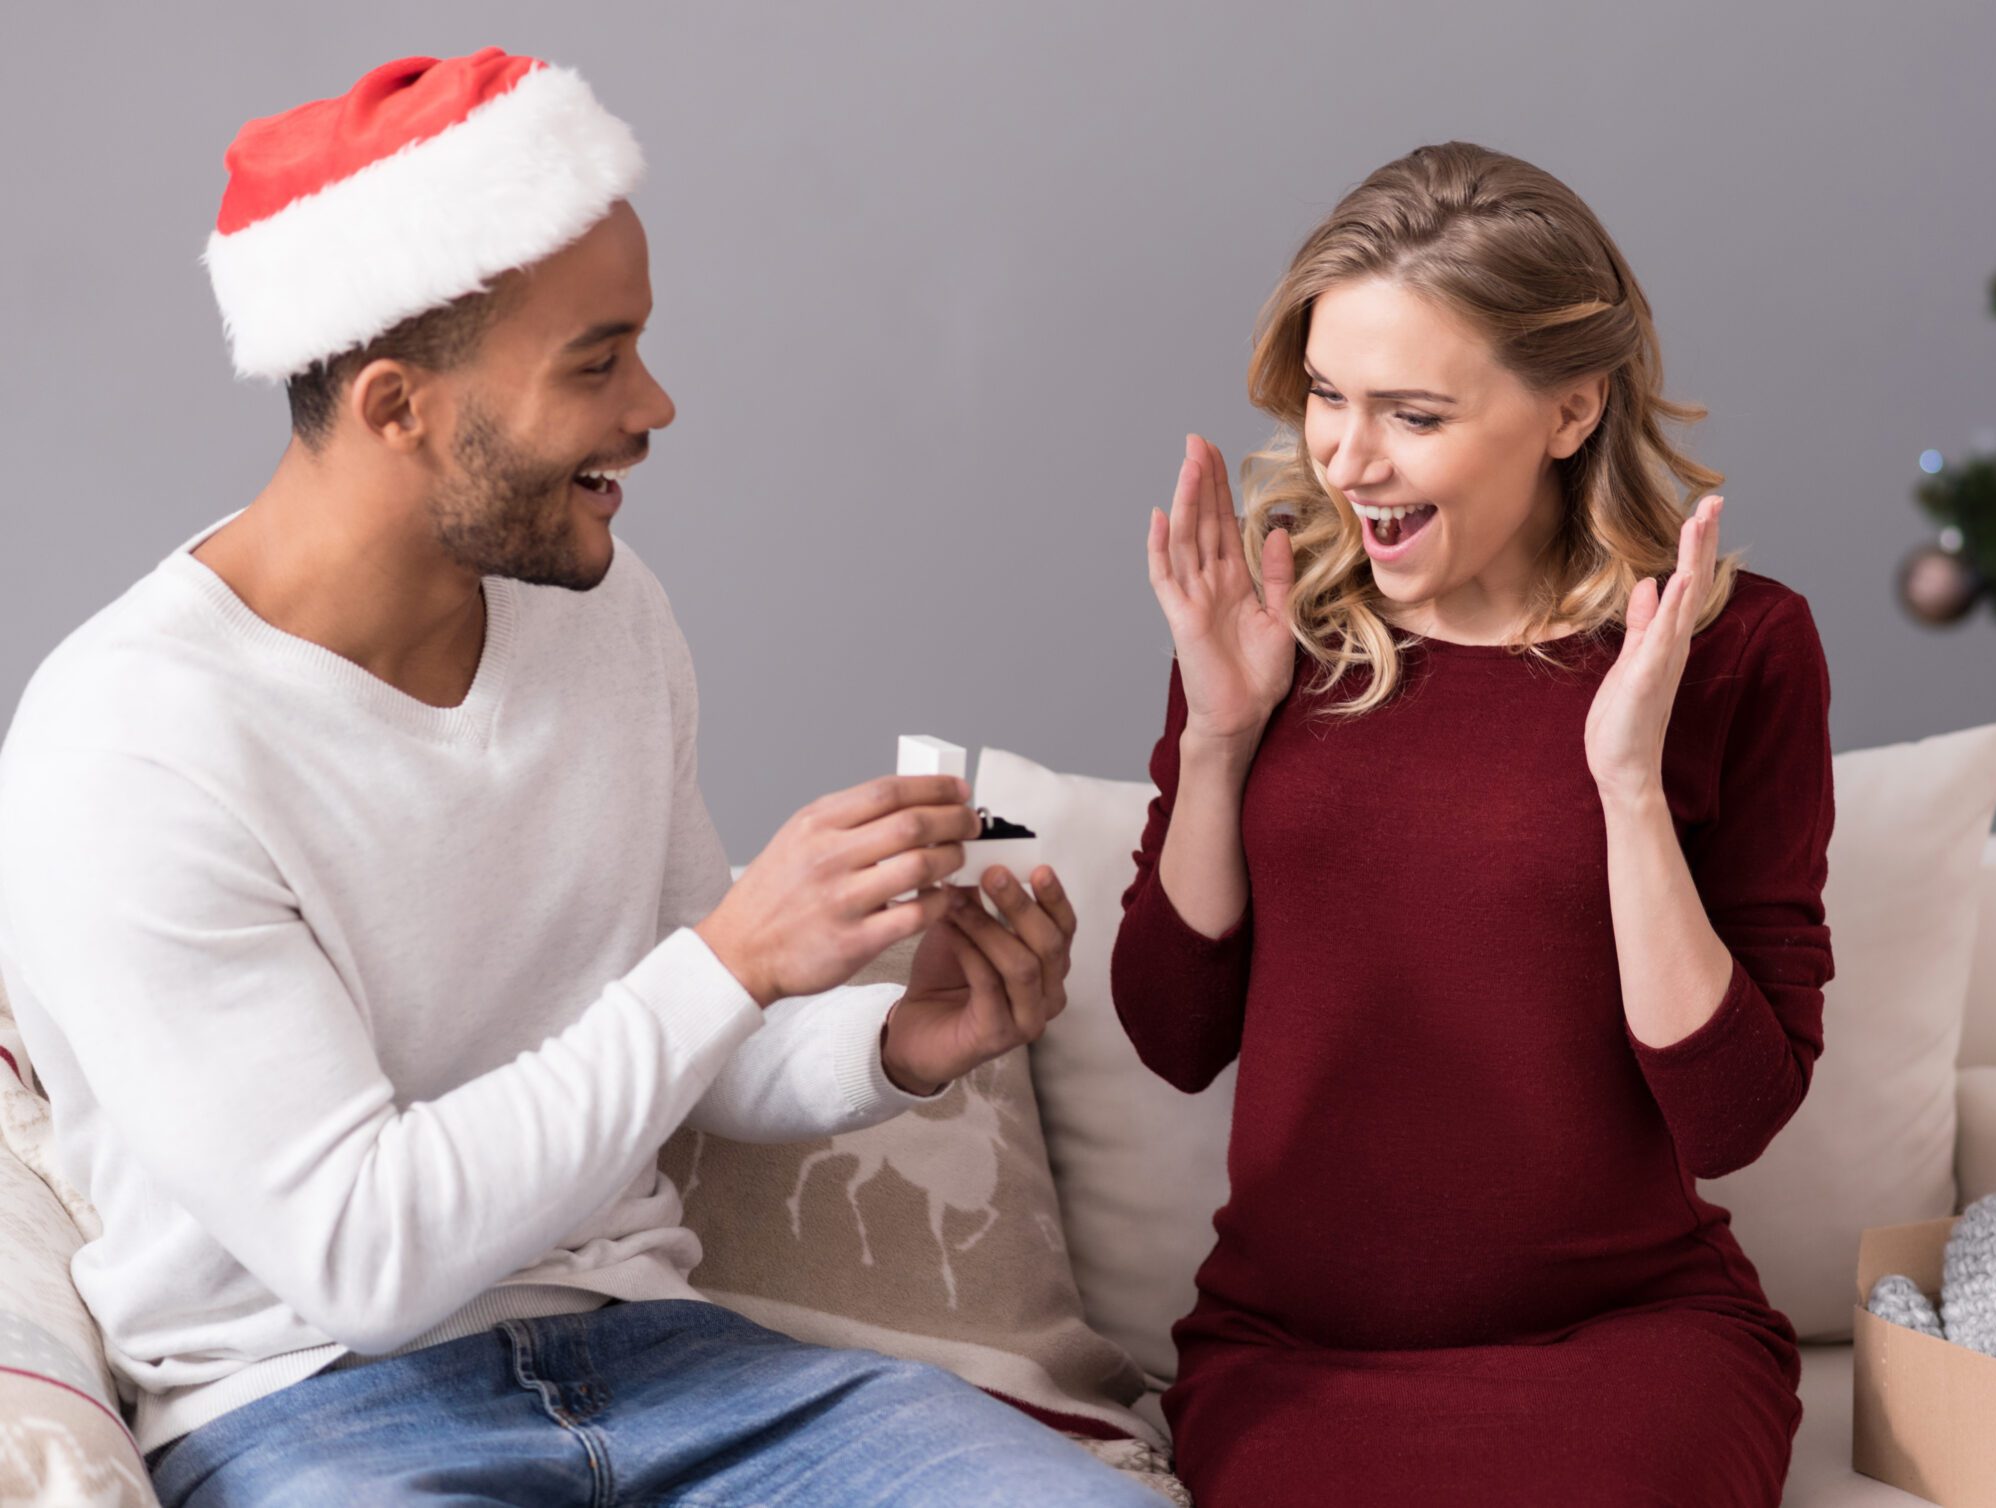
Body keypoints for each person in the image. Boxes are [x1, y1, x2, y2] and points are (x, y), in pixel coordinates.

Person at [0, 50, 1157, 1507]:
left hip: (683, 1369)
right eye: (595, 362)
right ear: (396, 405)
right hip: (315, 1414)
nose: (654, 405)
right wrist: (734, 958)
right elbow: (365, 1255)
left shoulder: (604, 616)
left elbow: (687, 1045)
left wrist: (893, 1046)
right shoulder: (126, 746)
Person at [1114, 141, 1837, 1506]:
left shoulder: (1730, 650)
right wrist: (1217, 738)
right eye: (1327, 397)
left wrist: (1625, 782)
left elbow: (1735, 1112)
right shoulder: (1274, 627)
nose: (1345, 457)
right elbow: (1171, 1033)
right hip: (1294, 1352)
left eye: (1414, 414)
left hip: (1631, 1349)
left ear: (1570, 412)